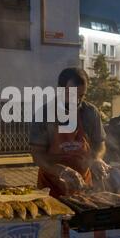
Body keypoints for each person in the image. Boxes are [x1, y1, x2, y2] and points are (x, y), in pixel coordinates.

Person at [29, 67, 110, 197]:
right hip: (51, 188)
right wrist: (60, 170)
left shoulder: (90, 112)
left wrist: (97, 159)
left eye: (81, 96)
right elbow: (37, 154)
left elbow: (100, 144)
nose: (77, 101)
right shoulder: (44, 114)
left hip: (84, 188)